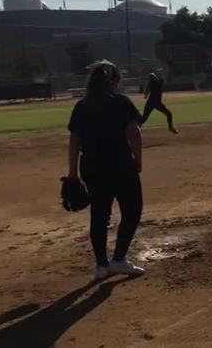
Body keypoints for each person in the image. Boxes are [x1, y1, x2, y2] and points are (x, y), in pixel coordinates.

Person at [67, 60, 146, 280]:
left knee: (99, 214)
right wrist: (138, 160)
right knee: (132, 210)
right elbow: (134, 134)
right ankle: (118, 259)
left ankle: (101, 266)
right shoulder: (120, 102)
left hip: (91, 167)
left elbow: (74, 141)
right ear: (112, 81)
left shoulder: (81, 106)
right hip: (120, 164)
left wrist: (72, 174)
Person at [141, 69, 177, 134]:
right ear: (154, 78)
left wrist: (146, 93)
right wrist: (164, 71)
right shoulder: (157, 83)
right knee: (169, 114)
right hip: (157, 104)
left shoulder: (149, 85)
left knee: (143, 119)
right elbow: (164, 78)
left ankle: (135, 127)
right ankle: (170, 127)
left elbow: (146, 95)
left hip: (150, 103)